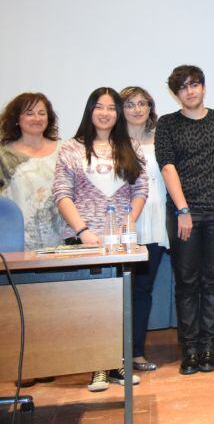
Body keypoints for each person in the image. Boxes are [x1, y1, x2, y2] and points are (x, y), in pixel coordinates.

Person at [53, 87, 147, 391]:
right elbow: (62, 194)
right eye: (99, 107)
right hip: (84, 239)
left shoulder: (131, 146)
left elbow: (140, 191)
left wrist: (126, 226)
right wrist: (83, 232)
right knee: (92, 304)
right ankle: (97, 368)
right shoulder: (70, 148)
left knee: (121, 302)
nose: (105, 113)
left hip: (121, 239)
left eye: (111, 108)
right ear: (90, 110)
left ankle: (117, 364)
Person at [155, 65, 214, 374]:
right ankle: (189, 348)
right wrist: (183, 209)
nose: (190, 91)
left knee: (212, 282)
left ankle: (208, 346)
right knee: (187, 281)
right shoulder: (168, 124)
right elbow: (168, 167)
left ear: (203, 87)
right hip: (183, 214)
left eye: (195, 85)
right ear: (176, 94)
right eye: (183, 87)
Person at [119, 86, 169, 372]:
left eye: (143, 103)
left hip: (155, 221)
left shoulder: (161, 139)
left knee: (143, 289)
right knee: (117, 290)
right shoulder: (112, 142)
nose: (137, 109)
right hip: (124, 223)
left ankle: (136, 352)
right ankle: (112, 355)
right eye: (130, 104)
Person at [0, 92, 64, 250]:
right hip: (18, 242)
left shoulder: (64, 150)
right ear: (16, 119)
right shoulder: (3, 155)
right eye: (29, 113)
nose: (37, 118)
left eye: (42, 113)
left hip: (63, 241)